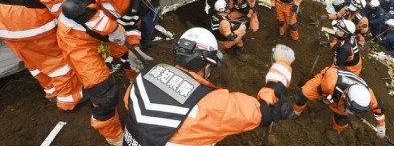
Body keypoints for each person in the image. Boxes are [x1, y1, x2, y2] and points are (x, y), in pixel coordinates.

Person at [57, 0, 189, 145]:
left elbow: (132, 20)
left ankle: (138, 94)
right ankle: (114, 137)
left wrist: (134, 47)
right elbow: (73, 6)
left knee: (136, 65)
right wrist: (111, 28)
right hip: (78, 36)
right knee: (105, 94)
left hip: (111, 33)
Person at [123, 27, 294, 145]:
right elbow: (267, 109)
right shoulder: (213, 105)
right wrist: (283, 62)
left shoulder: (143, 77)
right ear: (207, 65)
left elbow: (129, 104)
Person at [291, 66, 386, 143]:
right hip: (324, 82)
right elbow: (321, 91)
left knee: (342, 121)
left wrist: (381, 125)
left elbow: (378, 110)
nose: (351, 112)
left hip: (341, 99)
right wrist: (328, 98)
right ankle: (296, 111)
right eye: (350, 109)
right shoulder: (329, 84)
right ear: (346, 98)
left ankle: (337, 131)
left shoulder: (369, 97)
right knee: (302, 95)